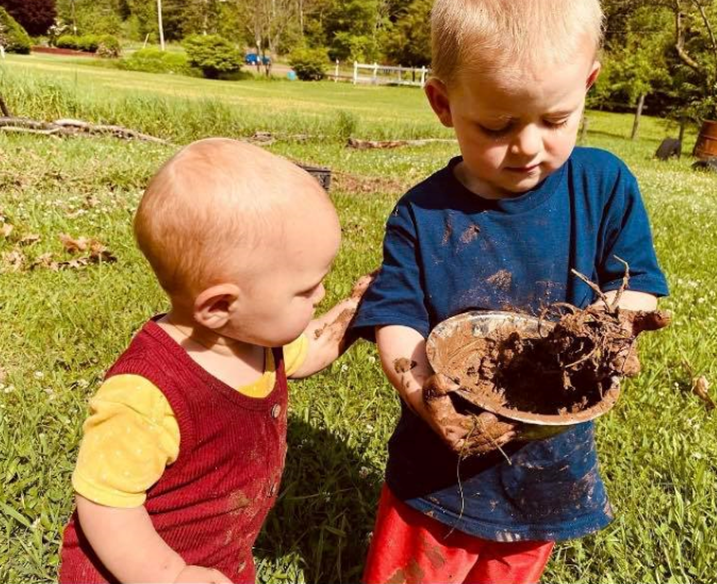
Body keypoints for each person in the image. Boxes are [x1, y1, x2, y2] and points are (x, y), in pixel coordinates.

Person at [352, 1, 669, 583]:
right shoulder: (422, 214)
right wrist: (425, 395)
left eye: (555, 120)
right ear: (444, 104)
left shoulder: (605, 186)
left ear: (588, 85)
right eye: (497, 126)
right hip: (435, 472)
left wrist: (607, 330)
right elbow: (394, 316)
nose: (527, 147)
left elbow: (640, 288)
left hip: (548, 468)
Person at [59, 138, 371, 584]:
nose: (320, 294)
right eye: (306, 291)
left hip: (218, 561)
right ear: (220, 305)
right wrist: (171, 574)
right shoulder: (147, 394)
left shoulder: (256, 341)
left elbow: (314, 348)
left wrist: (358, 309)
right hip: (139, 571)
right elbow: (105, 503)